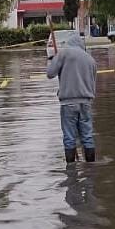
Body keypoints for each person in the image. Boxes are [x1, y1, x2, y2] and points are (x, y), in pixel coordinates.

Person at [46, 33, 99, 163]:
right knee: (87, 136)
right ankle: (91, 168)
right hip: (86, 103)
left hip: (68, 103)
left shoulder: (63, 54)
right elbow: (93, 84)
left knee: (69, 137)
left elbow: (50, 73)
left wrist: (53, 60)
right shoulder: (90, 59)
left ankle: (70, 171)